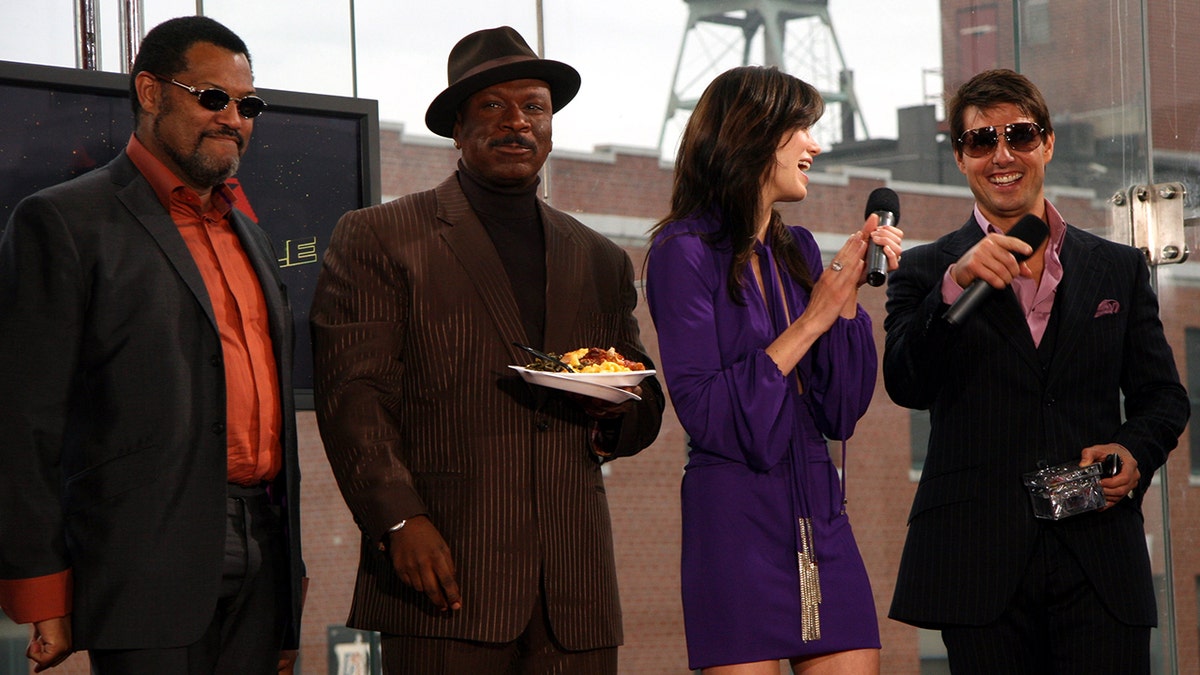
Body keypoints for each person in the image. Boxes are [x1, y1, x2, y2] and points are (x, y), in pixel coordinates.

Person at [310, 25, 664, 675]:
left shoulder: (599, 258)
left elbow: (644, 400)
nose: (516, 123)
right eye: (493, 107)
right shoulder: (380, 236)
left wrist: (616, 409)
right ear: (457, 126)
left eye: (534, 107)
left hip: (574, 597)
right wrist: (397, 521)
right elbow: (352, 396)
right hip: (443, 576)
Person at [0, 15, 305, 675]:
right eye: (213, 97)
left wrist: (289, 581)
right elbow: (23, 425)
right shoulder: (62, 220)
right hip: (143, 560)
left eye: (248, 105)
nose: (234, 118)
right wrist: (41, 584)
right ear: (149, 91)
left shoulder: (251, 236)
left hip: (264, 556)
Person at [884, 68, 1189, 674]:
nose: (1003, 155)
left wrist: (1134, 452)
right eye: (982, 140)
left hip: (1098, 556)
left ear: (1046, 144)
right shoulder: (924, 271)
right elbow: (905, 383)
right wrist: (955, 286)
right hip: (978, 565)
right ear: (961, 158)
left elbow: (1163, 398)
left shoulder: (1117, 268)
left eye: (1020, 136)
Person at [645, 65, 903, 674]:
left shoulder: (801, 250)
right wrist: (814, 318)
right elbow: (707, 413)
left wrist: (844, 305)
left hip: (819, 509)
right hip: (734, 520)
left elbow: (840, 411)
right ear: (755, 135)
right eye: (802, 129)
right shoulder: (680, 252)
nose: (815, 145)